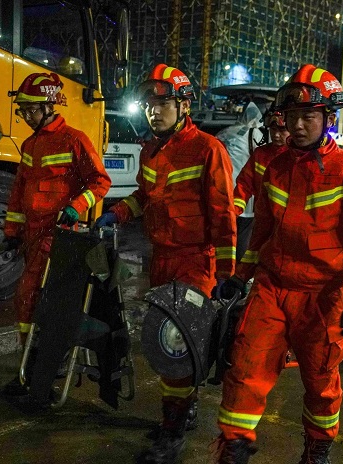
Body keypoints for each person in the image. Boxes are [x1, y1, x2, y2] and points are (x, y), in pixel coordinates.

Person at [211, 64, 343, 464]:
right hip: (272, 288)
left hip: (325, 296)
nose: (297, 125)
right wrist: (238, 276)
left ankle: (317, 449)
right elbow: (261, 232)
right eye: (291, 116)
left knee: (321, 382)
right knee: (244, 370)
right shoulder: (271, 165)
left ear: (329, 119)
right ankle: (234, 447)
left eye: (308, 116)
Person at [94, 63, 236, 463]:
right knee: (173, 344)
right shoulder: (151, 149)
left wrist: (226, 274)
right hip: (163, 260)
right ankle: (183, 410)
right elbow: (144, 196)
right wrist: (118, 213)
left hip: (195, 262)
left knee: (176, 345)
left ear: (184, 105)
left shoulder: (209, 150)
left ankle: (172, 433)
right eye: (149, 105)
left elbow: (224, 214)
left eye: (163, 104)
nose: (154, 112)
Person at [0, 72, 111, 393]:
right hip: (34, 239)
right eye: (22, 110)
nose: (25, 116)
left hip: (60, 239)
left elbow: (100, 181)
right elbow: (20, 192)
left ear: (48, 106)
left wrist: (76, 206)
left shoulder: (74, 140)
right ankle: (32, 364)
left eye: (30, 109)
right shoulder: (30, 144)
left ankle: (42, 367)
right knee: (28, 301)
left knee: (36, 300)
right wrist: (12, 230)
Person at [231, 109, 289, 261]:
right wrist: (234, 210)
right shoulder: (261, 155)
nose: (276, 135)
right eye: (273, 129)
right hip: (262, 225)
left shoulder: (301, 158)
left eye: (282, 130)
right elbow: (244, 184)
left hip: (290, 229)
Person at [217, 102, 264, 261]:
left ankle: (222, 270)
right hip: (244, 194)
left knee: (225, 234)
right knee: (243, 235)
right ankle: (238, 273)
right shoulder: (255, 134)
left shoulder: (225, 133)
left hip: (223, 191)